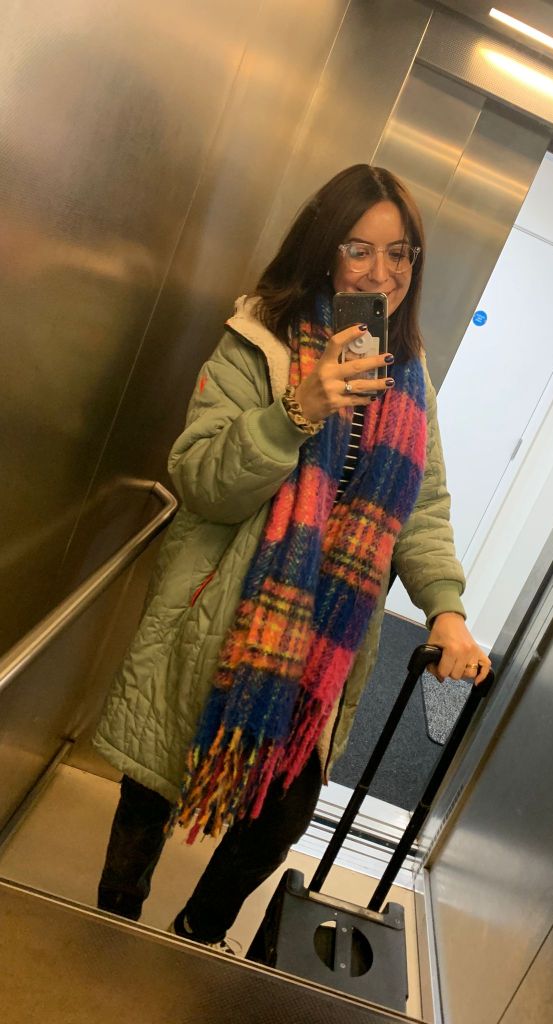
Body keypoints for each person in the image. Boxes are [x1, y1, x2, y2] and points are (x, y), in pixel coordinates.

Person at [93, 164, 492, 951]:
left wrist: (446, 610)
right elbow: (203, 480)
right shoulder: (259, 343)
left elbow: (421, 508)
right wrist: (297, 409)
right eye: (358, 249)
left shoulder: (407, 379)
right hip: (221, 612)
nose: (381, 273)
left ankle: (197, 935)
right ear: (324, 250)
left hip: (323, 639)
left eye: (399, 253)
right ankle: (110, 927)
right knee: (152, 787)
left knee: (280, 818)